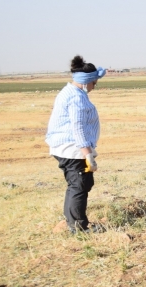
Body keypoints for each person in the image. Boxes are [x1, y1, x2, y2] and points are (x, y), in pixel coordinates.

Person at [45, 55, 106, 233]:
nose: (95, 86)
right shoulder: (76, 98)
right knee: (78, 185)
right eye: (94, 83)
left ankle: (75, 222)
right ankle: (78, 227)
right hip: (72, 149)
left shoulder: (70, 92)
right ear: (87, 82)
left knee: (79, 184)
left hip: (69, 148)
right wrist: (87, 154)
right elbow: (77, 127)